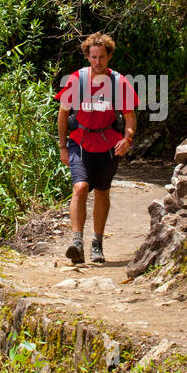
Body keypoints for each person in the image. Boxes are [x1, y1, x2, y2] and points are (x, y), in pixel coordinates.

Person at [55, 33, 138, 265]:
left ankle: (97, 243)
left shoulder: (119, 83)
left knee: (102, 191)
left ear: (109, 56)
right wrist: (63, 146)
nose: (98, 61)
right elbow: (63, 114)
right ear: (87, 57)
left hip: (109, 144)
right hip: (79, 142)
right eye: (93, 57)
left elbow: (130, 117)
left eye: (102, 57)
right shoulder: (77, 80)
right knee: (80, 187)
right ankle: (77, 242)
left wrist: (127, 139)